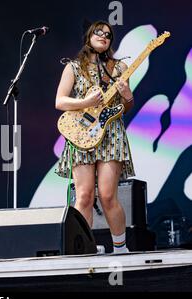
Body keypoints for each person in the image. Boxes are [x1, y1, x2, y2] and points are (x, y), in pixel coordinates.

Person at [55, 21, 135, 253]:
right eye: (99, 32)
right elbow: (60, 101)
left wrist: (128, 97)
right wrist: (85, 103)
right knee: (84, 195)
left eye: (108, 35)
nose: (104, 36)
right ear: (89, 36)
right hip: (82, 133)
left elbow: (124, 108)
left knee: (108, 195)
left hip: (110, 133)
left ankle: (120, 248)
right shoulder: (73, 67)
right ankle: (84, 247)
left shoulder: (119, 67)